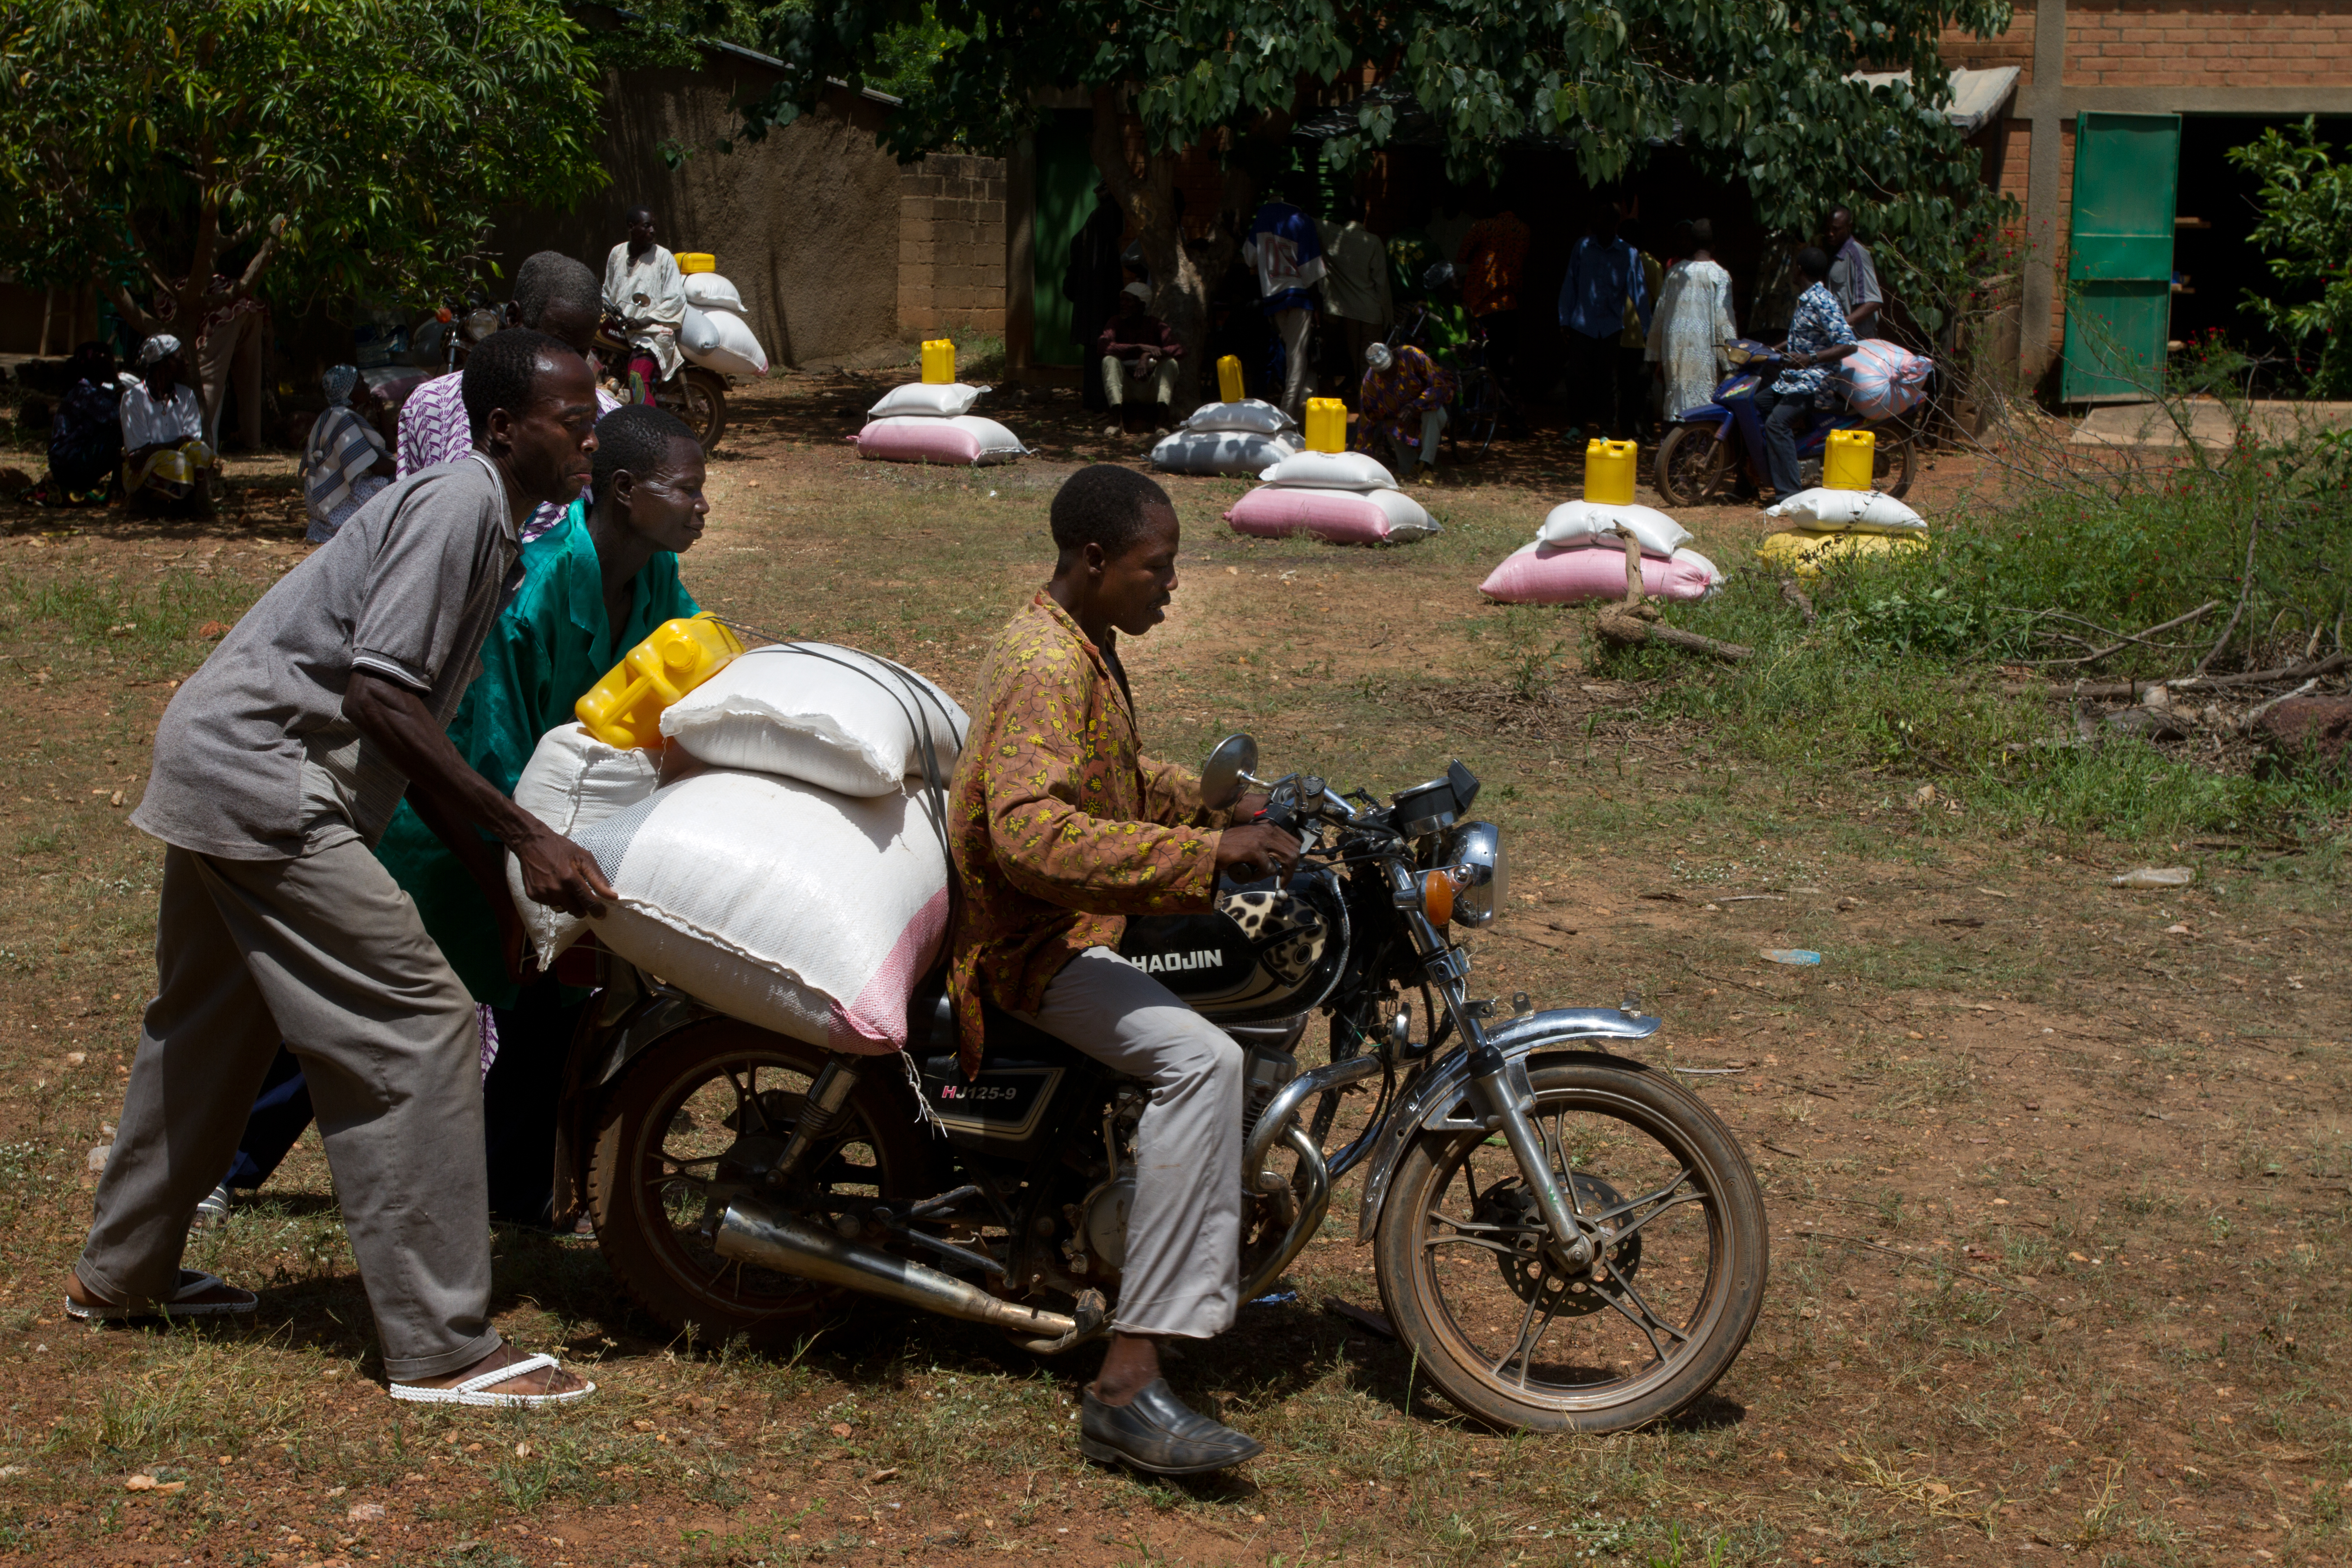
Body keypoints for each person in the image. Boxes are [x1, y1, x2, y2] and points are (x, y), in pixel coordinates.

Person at [70, 328, 611, 1408]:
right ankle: (442, 1344)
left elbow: (406, 729)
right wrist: (526, 838)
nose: (589, 438)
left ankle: (119, 1276)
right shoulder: (462, 506)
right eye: (573, 421)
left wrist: (492, 879)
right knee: (421, 1020)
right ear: (506, 428)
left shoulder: (487, 519)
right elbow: (381, 698)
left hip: (220, 762)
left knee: (208, 1031)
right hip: (268, 783)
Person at [203, 404, 709, 1229]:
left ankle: (509, 1192)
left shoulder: (655, 581)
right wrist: (507, 888)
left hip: (545, 837)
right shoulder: (534, 593)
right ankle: (223, 1164)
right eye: (686, 489)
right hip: (454, 829)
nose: (701, 506)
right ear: (624, 492)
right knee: (352, 1003)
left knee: (547, 1007)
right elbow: (488, 754)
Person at [948, 465, 1300, 1475]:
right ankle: (1127, 1382)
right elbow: (1029, 836)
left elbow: (1118, 779)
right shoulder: (1043, 664)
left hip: (1080, 922)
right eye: (1159, 566)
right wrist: (1204, 858)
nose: (1172, 586)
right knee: (1203, 1064)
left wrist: (1220, 805)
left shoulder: (1083, 645)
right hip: (1033, 944)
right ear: (1095, 559)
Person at [402, 251, 622, 541]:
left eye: (581, 351)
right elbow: (410, 522)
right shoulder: (430, 405)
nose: (570, 366)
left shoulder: (608, 423)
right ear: (514, 318)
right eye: (556, 346)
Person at [1752, 246, 1858, 501]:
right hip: (1792, 381)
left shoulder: (1822, 301)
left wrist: (1810, 359)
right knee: (1753, 405)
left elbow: (1849, 344)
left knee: (1777, 424)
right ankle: (1751, 480)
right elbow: (1800, 342)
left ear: (1799, 270)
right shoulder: (1805, 299)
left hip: (1815, 383)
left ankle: (1789, 495)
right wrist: (1765, 351)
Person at [1557, 207, 1649, 442]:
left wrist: (1648, 331)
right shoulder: (1583, 247)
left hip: (1610, 327)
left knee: (1608, 380)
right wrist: (1564, 319)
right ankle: (1576, 426)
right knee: (1576, 376)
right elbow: (1571, 282)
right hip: (1582, 324)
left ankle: (1606, 430)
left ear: (1615, 224)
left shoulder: (1628, 254)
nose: (1601, 227)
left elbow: (1639, 293)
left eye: (1607, 222)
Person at [1240, 188, 1327, 420]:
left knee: (1294, 354)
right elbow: (1311, 272)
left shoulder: (1265, 213)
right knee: (1296, 357)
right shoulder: (1303, 221)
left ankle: (1300, 403)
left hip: (1274, 298)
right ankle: (1288, 413)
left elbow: (1249, 257)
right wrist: (1319, 307)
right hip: (1300, 295)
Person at [1647, 220, 1739, 420]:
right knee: (1701, 407)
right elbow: (1724, 320)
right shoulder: (1719, 275)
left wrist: (1658, 355)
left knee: (1676, 402)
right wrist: (1731, 360)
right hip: (1703, 350)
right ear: (1713, 245)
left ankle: (1672, 446)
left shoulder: (1674, 273)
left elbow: (1660, 314)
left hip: (1675, 349)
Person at [118, 335, 220, 512]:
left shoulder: (186, 396)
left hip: (169, 460)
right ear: (164, 363)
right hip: (140, 472)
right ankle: (141, 501)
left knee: (202, 452)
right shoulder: (133, 399)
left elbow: (191, 440)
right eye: (181, 357)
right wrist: (177, 445)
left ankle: (183, 504)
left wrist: (158, 449)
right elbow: (138, 457)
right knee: (178, 462)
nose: (188, 363)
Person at [299, 367, 397, 543]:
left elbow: (389, 448)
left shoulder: (335, 414)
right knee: (398, 483)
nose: (367, 384)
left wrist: (380, 412)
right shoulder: (342, 419)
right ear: (349, 392)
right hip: (330, 502)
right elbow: (377, 465)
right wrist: (409, 467)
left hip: (321, 498)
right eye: (360, 381)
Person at [603, 207, 686, 409]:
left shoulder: (664, 257)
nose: (652, 231)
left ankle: (649, 430)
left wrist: (644, 321)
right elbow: (607, 292)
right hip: (621, 330)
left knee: (637, 377)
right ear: (632, 227)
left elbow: (676, 299)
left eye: (654, 227)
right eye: (647, 226)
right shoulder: (617, 253)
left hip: (652, 334)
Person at [1316, 197, 1393, 399]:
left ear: (1343, 215)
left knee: (1356, 360)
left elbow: (1305, 219)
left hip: (1349, 313)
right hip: (1371, 312)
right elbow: (1382, 285)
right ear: (1364, 216)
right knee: (1369, 364)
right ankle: (1368, 407)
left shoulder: (1330, 234)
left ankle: (1363, 405)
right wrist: (1389, 317)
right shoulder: (1374, 242)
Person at [1456, 198, 1530, 397]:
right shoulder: (1524, 230)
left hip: (1481, 306)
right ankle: (1515, 417)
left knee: (1473, 363)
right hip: (1508, 305)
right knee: (1506, 367)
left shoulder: (1483, 227)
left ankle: (1473, 413)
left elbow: (1462, 255)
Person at [34, 342, 122, 506]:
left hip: (68, 465)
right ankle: (116, 492)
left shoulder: (95, 390)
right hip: (69, 467)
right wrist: (116, 380)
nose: (113, 365)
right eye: (110, 362)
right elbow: (125, 415)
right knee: (121, 434)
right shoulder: (85, 392)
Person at [1066, 184, 1128, 414]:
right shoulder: (1105, 220)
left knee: (1096, 350)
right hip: (1100, 300)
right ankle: (1101, 402)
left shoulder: (1094, 224)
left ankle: (1096, 402)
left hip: (1092, 302)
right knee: (1102, 350)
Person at [1095, 282, 1184, 437]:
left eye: (1129, 301)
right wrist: (1137, 347)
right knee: (1109, 360)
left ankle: (1162, 424)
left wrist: (1147, 355)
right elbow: (1103, 346)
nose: (1123, 305)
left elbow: (1178, 349)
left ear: (1142, 305)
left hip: (1150, 387)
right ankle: (1116, 423)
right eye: (1122, 301)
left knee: (1170, 363)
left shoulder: (1155, 324)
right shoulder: (1115, 322)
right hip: (1126, 386)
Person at [1358, 341, 1454, 483]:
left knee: (1431, 413)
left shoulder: (1412, 355)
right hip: (1404, 423)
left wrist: (1415, 405)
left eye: (1391, 372)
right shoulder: (1370, 383)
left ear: (1395, 359)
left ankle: (1427, 466)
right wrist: (1363, 462)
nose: (1390, 378)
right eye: (1384, 376)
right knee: (1389, 426)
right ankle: (1410, 468)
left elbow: (1438, 384)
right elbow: (1366, 422)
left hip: (1432, 411)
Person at [1616, 219, 1665, 441]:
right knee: (1625, 388)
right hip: (1620, 336)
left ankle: (1643, 432)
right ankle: (1627, 431)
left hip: (1642, 339)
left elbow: (1659, 302)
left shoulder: (1651, 265)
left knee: (1641, 387)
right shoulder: (1616, 261)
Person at [1825, 206, 1884, 335]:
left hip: (1858, 342)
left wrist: (1842, 325)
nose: (1830, 233)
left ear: (1849, 227)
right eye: (1828, 229)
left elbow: (1873, 301)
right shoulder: (1837, 254)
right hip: (1840, 340)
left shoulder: (1857, 254)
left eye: (1836, 229)